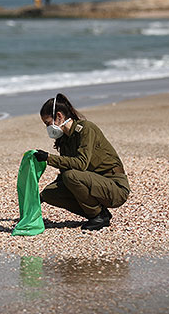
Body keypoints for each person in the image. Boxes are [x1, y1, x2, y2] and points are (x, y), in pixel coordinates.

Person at [34, 93, 130, 230]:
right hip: (94, 182)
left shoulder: (85, 129)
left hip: (115, 187)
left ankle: (98, 216)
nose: (48, 128)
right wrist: (41, 197)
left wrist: (48, 158)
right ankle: (100, 213)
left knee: (71, 176)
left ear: (59, 116)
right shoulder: (65, 140)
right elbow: (64, 174)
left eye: (48, 123)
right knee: (50, 193)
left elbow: (81, 163)